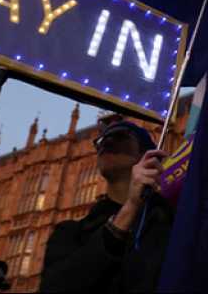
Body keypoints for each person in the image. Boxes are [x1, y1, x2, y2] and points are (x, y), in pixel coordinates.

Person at [40, 120, 171, 293]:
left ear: (146, 155)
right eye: (100, 141)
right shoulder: (69, 233)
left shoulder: (173, 221)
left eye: (120, 136)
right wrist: (130, 207)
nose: (106, 142)